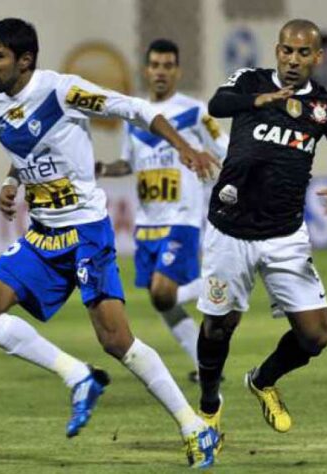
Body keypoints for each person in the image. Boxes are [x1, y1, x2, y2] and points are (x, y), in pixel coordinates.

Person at [0, 18, 220, 468]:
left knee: (117, 340)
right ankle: (78, 376)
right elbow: (24, 152)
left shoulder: (63, 91)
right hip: (43, 233)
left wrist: (182, 146)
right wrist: (11, 181)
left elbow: (137, 109)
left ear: (24, 61)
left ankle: (193, 426)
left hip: (85, 232)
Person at [195, 19, 327, 437]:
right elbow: (218, 105)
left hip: (285, 235)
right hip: (230, 231)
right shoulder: (250, 81)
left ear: (317, 57)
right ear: (277, 51)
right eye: (287, 51)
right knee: (219, 326)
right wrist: (258, 100)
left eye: (303, 53)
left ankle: (262, 380)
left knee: (315, 336)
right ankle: (207, 410)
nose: (293, 60)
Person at [96, 39, 228, 384]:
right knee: (163, 302)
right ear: (146, 69)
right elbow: (129, 162)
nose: (161, 71)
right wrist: (104, 169)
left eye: (168, 65)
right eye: (155, 64)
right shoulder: (135, 115)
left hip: (182, 218)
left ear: (177, 71)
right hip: (147, 223)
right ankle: (205, 365)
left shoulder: (195, 112)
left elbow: (225, 149)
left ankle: (223, 281)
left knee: (161, 292)